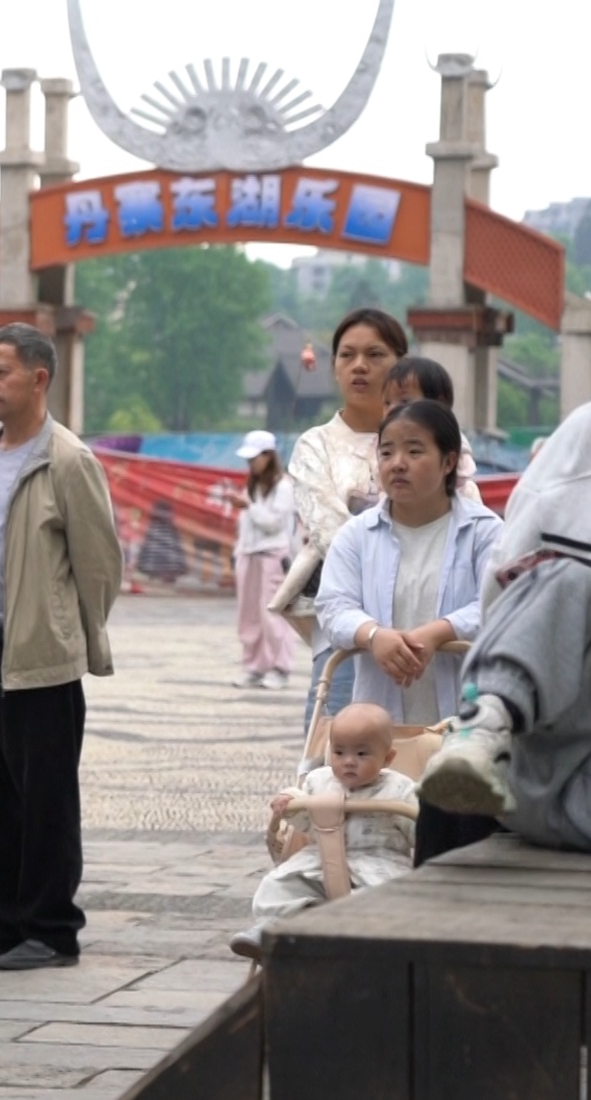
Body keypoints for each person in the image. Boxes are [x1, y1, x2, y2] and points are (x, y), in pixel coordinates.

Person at [418, 255, 591, 860]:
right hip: (558, 740)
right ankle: (483, 728)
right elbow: (512, 603)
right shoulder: (588, 444)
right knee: (564, 580)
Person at [0, 323, 120, 972]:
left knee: (45, 800)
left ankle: (51, 928)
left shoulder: (67, 459)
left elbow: (99, 566)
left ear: (39, 379)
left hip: (38, 658)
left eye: (1, 372)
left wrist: (62, 631)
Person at [315, 399, 501, 862]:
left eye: (414, 451)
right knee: (384, 843)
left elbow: (502, 603)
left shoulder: (486, 532)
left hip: (465, 721)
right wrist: (372, 635)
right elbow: (332, 605)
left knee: (459, 846)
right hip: (381, 729)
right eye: (387, 452)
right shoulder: (357, 535)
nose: (397, 463)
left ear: (449, 461)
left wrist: (441, 631)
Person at [286, 309, 405, 731]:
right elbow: (333, 537)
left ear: (401, 363)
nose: (359, 366)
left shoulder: (441, 438)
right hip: (346, 628)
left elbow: (462, 518)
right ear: (334, 367)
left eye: (375, 354)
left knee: (425, 754)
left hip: (426, 628)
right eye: (347, 355)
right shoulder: (315, 446)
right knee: (333, 755)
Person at [230, 703, 416, 957]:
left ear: (387, 758)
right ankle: (276, 927)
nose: (348, 762)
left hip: (379, 863)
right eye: (339, 752)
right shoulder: (319, 780)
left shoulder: (400, 789)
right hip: (318, 862)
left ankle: (349, 930)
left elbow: (419, 829)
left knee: (390, 898)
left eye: (361, 754)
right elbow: (305, 821)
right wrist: (290, 802)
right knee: (277, 885)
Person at [230, 430, 297, 690]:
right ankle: (254, 666)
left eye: (255, 458)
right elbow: (246, 526)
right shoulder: (253, 486)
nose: (251, 463)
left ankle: (280, 668)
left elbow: (273, 524)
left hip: (273, 556)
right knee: (248, 615)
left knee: (272, 614)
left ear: (269, 456)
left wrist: (249, 507)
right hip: (248, 555)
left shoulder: (283, 487)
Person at [382, 357, 481, 498]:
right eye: (387, 402)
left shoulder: (451, 442)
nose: (392, 409)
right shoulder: (380, 441)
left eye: (404, 401)